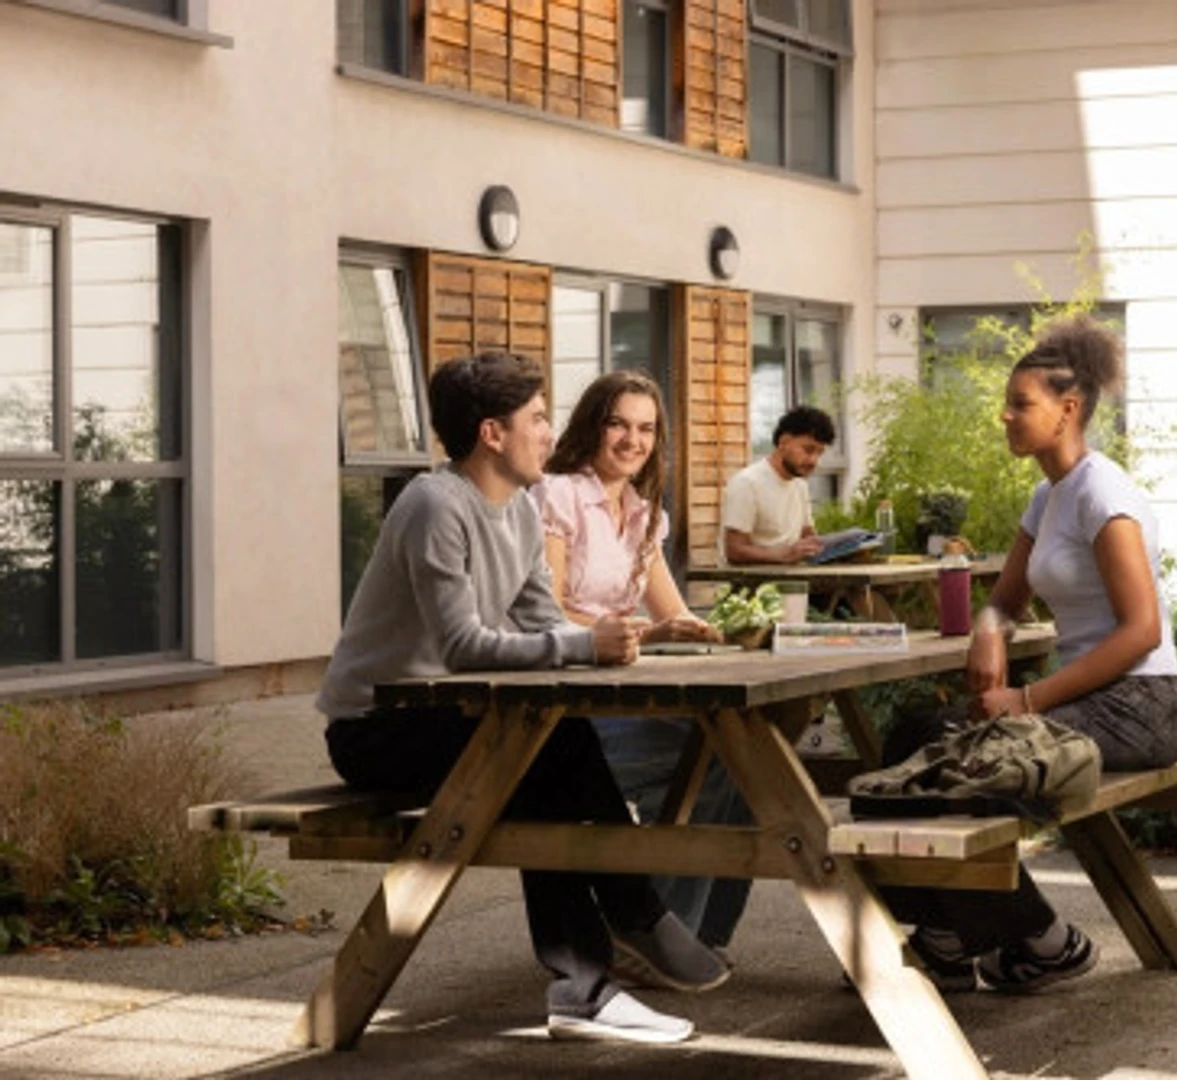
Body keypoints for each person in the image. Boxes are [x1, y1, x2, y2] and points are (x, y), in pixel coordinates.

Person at [316, 352, 728, 1045]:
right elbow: (463, 646)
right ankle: (622, 933)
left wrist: (619, 639)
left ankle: (589, 980)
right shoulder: (433, 505)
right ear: (491, 434)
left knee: (551, 746)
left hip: (445, 717)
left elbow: (547, 624)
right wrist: (582, 645)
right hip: (375, 729)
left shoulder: (514, 513)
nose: (548, 431)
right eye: (536, 418)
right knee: (545, 752)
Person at [883, 313, 1177, 993]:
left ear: (1069, 409)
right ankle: (942, 933)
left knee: (958, 763)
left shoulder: (1103, 494)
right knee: (914, 734)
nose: (1005, 416)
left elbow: (1141, 631)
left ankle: (1042, 941)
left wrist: (1024, 701)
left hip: (1147, 704)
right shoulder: (1046, 496)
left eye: (1020, 405)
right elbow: (1005, 599)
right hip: (1095, 699)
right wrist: (989, 630)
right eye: (1007, 403)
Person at [536, 370, 754, 955]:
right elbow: (547, 617)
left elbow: (676, 618)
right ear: (592, 427)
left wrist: (740, 631)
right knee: (709, 760)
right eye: (618, 425)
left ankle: (696, 936)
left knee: (748, 757)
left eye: (646, 429)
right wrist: (650, 633)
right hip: (566, 703)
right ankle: (653, 938)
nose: (633, 441)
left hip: (622, 691)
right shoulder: (557, 495)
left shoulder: (642, 513)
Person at [720, 405, 836, 565]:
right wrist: (783, 555)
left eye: (819, 453)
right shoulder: (747, 483)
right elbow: (734, 550)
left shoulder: (799, 485)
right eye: (808, 450)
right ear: (783, 442)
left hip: (795, 585)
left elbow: (808, 537)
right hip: (756, 587)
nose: (814, 460)